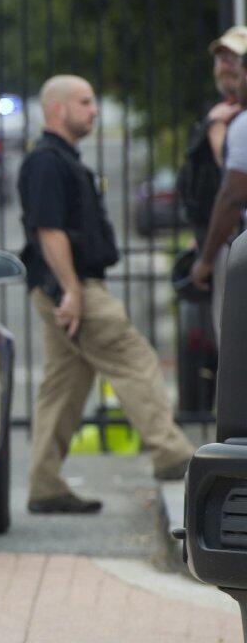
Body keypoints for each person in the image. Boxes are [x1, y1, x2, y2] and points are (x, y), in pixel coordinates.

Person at [18, 75, 196, 515]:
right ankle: (173, 455)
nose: (94, 110)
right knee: (136, 360)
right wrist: (73, 291)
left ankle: (44, 483)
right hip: (74, 287)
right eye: (85, 102)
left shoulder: (60, 159)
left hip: (66, 287)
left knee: (64, 387)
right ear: (57, 110)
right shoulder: (46, 162)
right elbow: (49, 230)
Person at [179, 26, 247, 341]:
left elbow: (233, 187)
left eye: (233, 59)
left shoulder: (233, 121)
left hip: (237, 242)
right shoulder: (221, 114)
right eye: (220, 59)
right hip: (225, 239)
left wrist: (218, 128)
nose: (224, 66)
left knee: (234, 343)